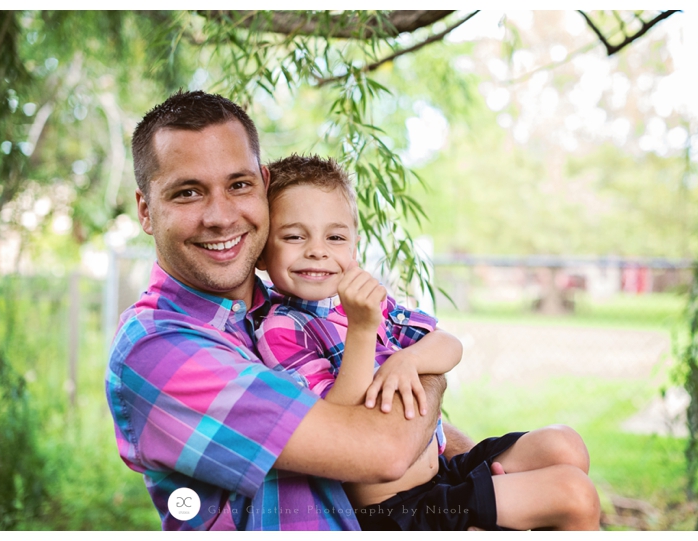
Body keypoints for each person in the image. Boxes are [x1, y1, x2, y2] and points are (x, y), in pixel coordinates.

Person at [106, 90, 599, 531]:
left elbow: (412, 393)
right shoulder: (159, 349)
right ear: (146, 210)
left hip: (423, 491)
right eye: (187, 192)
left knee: (561, 451)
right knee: (571, 496)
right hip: (388, 513)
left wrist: (462, 467)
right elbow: (381, 449)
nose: (220, 216)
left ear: (263, 184)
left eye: (238, 185)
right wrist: (416, 373)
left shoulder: (282, 301)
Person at [254, 155, 601, 530]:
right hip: (396, 509)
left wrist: (407, 361)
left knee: (564, 444)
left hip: (441, 476)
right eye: (294, 236)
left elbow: (448, 345)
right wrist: (362, 329)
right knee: (574, 495)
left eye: (335, 237)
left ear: (354, 247)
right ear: (262, 252)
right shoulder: (282, 326)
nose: (317, 250)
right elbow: (336, 423)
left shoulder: (370, 301)